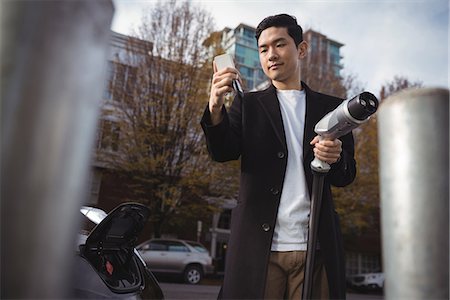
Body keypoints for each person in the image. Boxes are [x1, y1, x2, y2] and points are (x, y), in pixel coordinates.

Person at [200, 14, 356, 300]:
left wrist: (335, 157)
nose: (271, 54)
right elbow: (222, 152)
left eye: (280, 44)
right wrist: (214, 107)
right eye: (263, 48)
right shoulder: (248, 105)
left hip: (316, 250)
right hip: (260, 248)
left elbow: (346, 175)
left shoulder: (334, 109)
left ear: (301, 49)